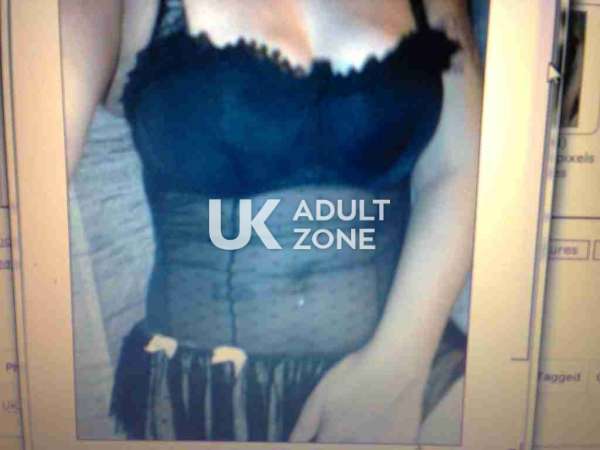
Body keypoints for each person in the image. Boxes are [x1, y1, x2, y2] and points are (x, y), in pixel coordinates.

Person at [61, 0, 483, 443]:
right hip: (218, 398)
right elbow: (27, 179)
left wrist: (396, 370)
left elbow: (456, 169)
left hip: (410, 367)